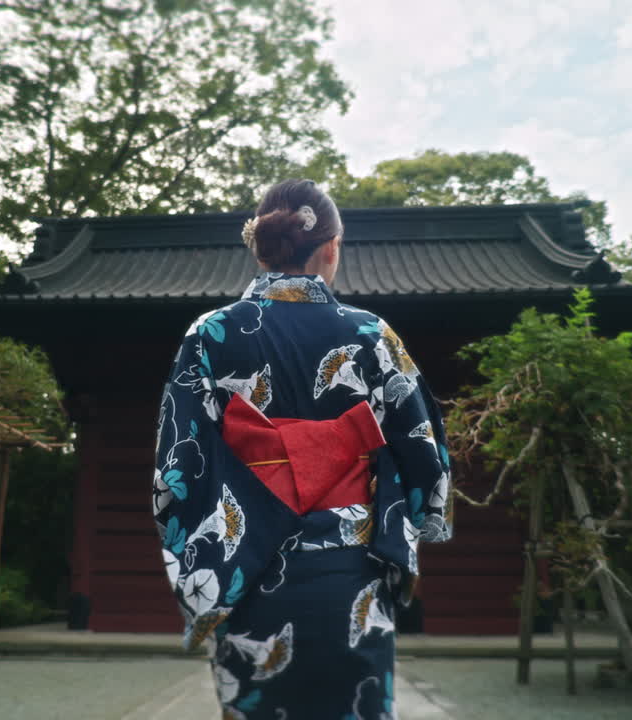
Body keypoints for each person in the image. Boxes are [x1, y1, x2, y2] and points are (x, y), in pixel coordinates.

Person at [153, 179, 452, 719]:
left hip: (247, 569)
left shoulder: (209, 333)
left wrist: (201, 557)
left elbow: (178, 463)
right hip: (351, 570)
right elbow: (420, 445)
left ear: (261, 246)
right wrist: (425, 515)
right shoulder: (370, 333)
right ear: (332, 247)